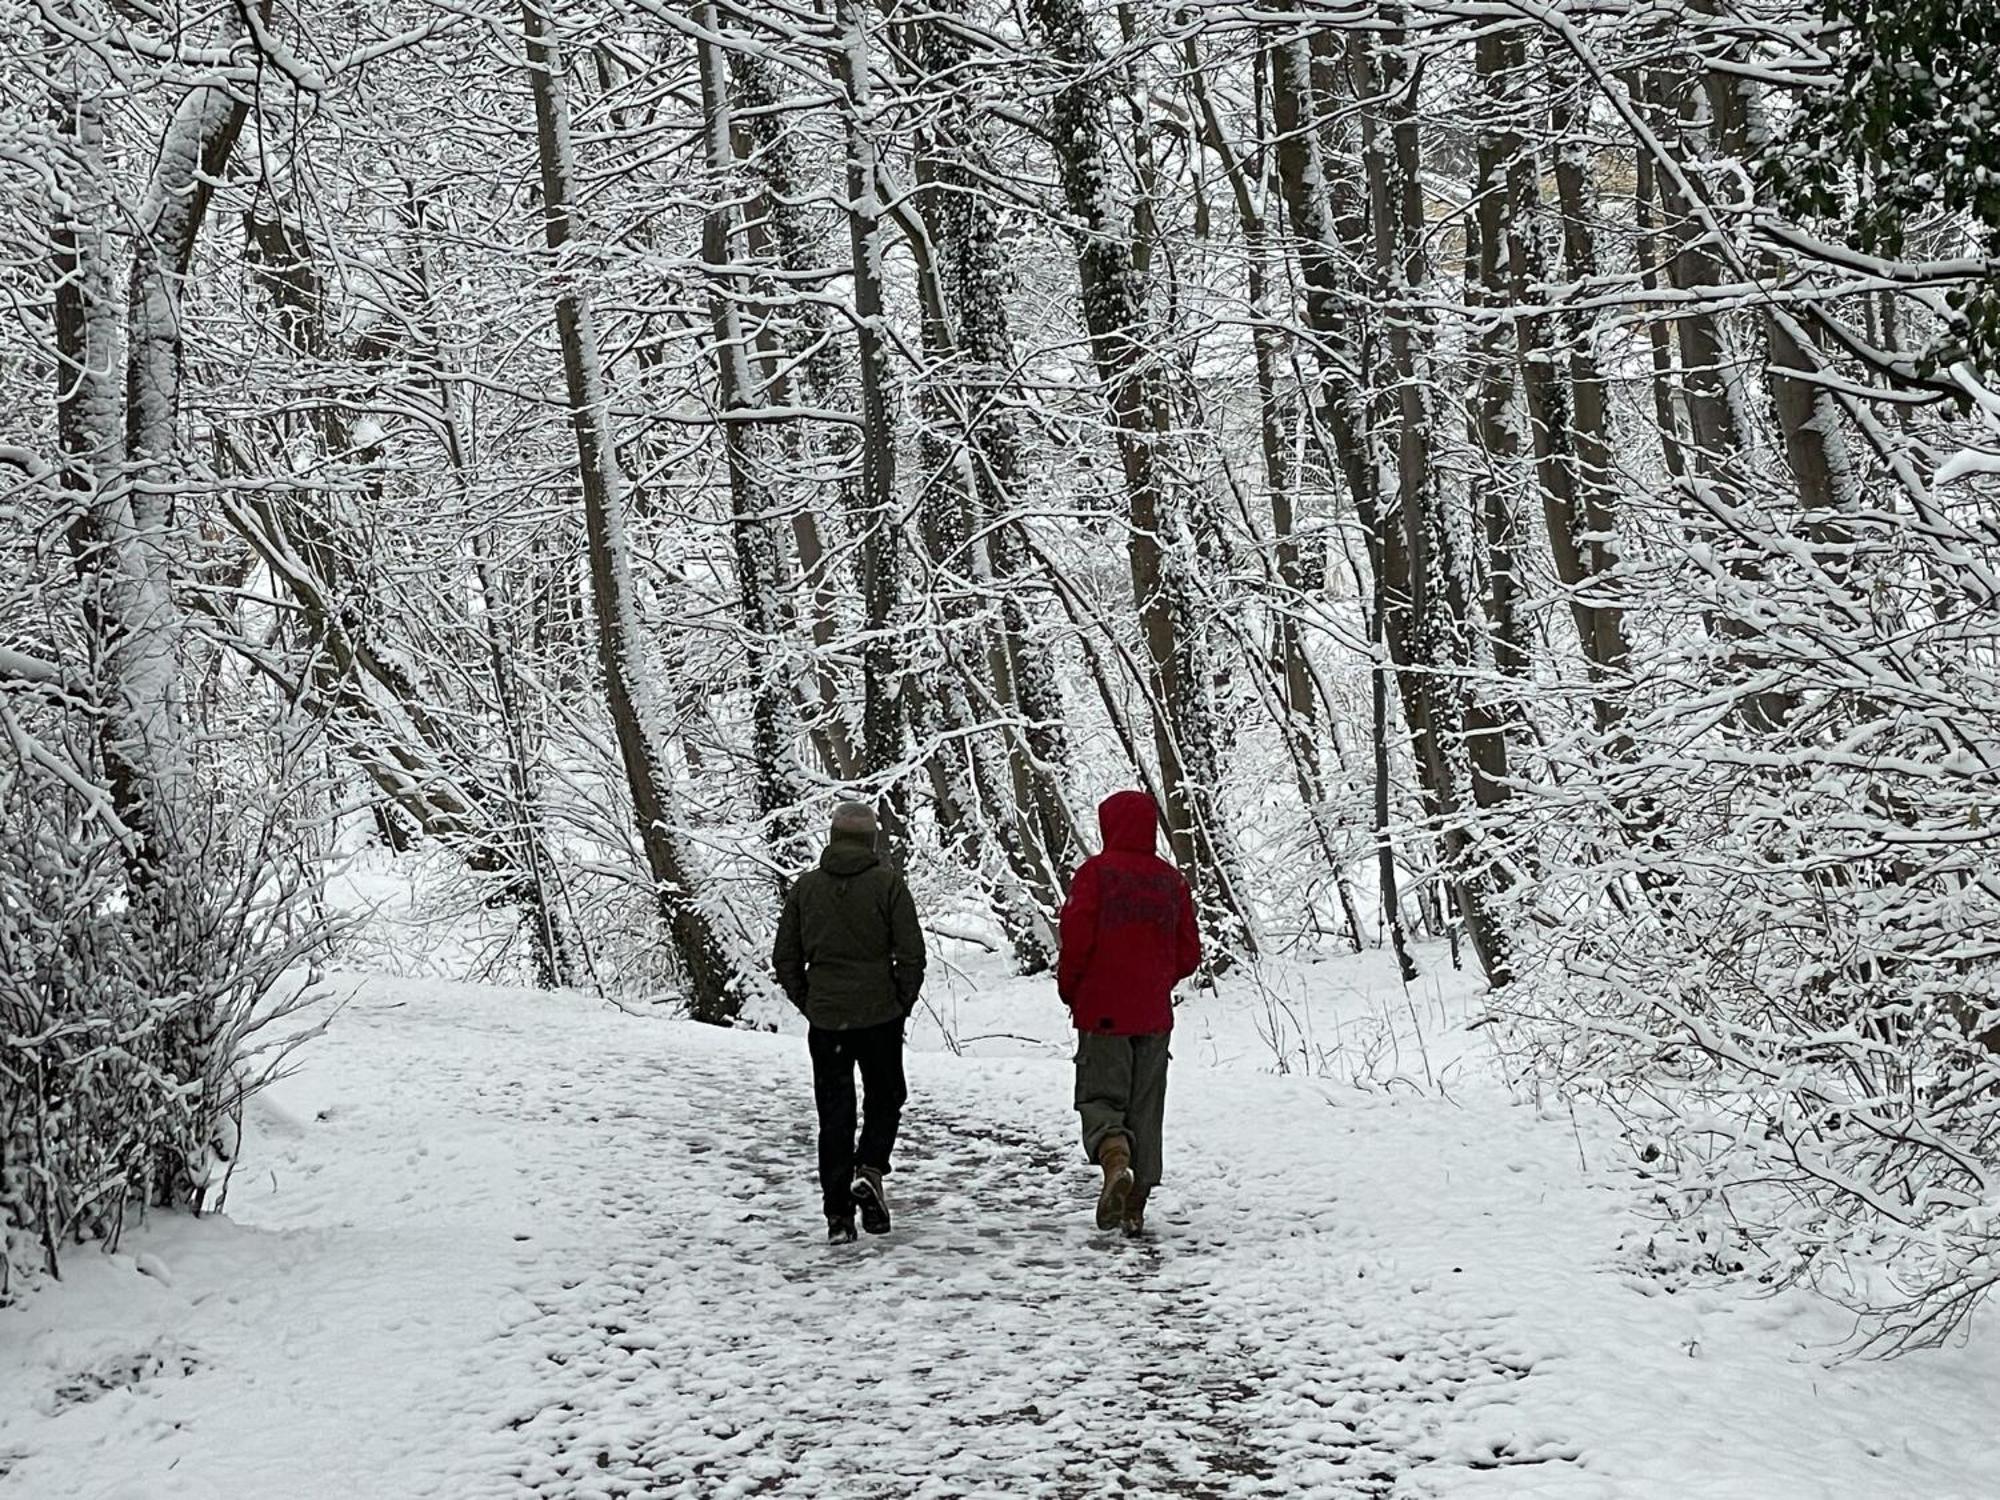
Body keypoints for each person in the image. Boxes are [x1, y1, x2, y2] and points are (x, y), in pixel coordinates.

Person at [774, 801, 926, 1244]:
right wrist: (900, 1001)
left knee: (834, 1115)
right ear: (872, 840)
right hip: (879, 1016)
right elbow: (912, 954)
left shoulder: (806, 888)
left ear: (833, 838)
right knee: (886, 1096)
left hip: (827, 1021)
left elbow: (785, 957)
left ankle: (838, 1216)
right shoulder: (888, 885)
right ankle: (871, 1168)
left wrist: (810, 1001)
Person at [1057, 790, 1202, 1236]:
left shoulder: (1095, 875)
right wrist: (1157, 981)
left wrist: (1072, 990)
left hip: (1102, 1011)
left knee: (1101, 1098)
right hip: (1154, 1014)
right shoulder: (1171, 881)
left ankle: (1115, 1157)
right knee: (1146, 1105)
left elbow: (1076, 940)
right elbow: (1189, 954)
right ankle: (1136, 1205)